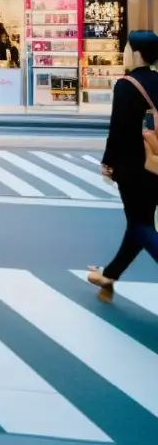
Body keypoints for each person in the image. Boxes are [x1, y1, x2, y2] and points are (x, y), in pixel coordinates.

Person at [88, 30, 158, 300]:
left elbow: (119, 129)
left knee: (141, 226)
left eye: (127, 48)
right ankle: (110, 275)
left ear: (136, 53)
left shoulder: (127, 85)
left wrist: (108, 163)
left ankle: (110, 274)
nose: (125, 52)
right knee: (139, 223)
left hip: (134, 167)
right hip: (155, 163)